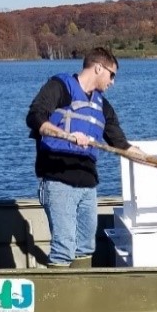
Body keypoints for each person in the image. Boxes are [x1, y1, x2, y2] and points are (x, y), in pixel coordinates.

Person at [26, 47, 143, 268]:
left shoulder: (103, 106)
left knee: (86, 247)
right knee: (64, 248)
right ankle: (60, 299)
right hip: (58, 180)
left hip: (88, 185)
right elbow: (35, 116)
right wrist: (67, 135)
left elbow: (122, 145)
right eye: (112, 75)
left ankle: (81, 297)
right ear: (99, 68)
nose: (112, 82)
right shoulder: (59, 87)